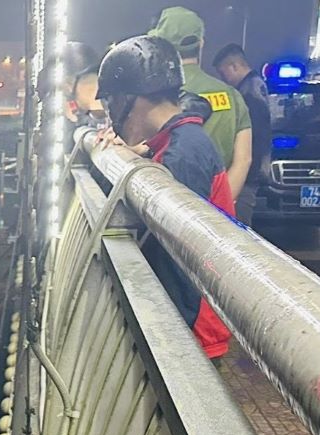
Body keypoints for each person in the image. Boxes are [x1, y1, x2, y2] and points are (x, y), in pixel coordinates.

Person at [95, 35, 233, 361]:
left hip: (193, 325)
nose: (111, 114)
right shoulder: (176, 141)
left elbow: (175, 242)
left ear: (133, 100)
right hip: (188, 318)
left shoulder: (184, 153)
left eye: (111, 102)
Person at [148, 7, 252, 202]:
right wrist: (218, 207)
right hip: (219, 212)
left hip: (168, 206)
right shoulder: (232, 96)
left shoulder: (155, 94)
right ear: (201, 44)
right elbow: (243, 159)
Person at [212, 43, 271, 223]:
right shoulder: (255, 87)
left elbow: (254, 138)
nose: (224, 79)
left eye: (223, 73)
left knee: (238, 229)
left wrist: (242, 171)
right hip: (251, 174)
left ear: (235, 66)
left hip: (246, 176)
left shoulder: (249, 93)